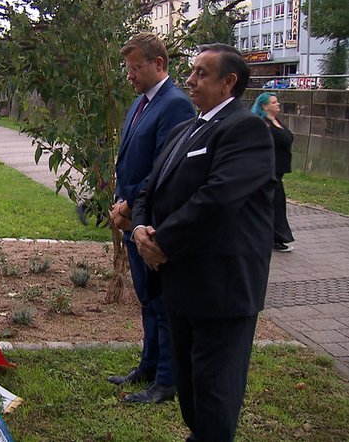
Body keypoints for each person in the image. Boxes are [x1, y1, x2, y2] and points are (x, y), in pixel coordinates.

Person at [131, 43, 275, 441]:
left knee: (214, 392)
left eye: (201, 74)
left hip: (220, 288)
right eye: (191, 72)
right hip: (180, 282)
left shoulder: (246, 130)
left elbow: (218, 197)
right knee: (191, 389)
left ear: (229, 82)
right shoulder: (187, 128)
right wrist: (141, 228)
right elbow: (149, 187)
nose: (190, 81)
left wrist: (163, 241)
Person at [107, 32, 195, 404]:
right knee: (146, 300)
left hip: (152, 221)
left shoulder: (175, 104)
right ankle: (147, 365)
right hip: (131, 218)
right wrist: (118, 201)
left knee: (161, 304)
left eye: (136, 67)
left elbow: (164, 164)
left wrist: (129, 205)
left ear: (159, 64)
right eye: (127, 68)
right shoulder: (140, 103)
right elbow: (130, 158)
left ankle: (166, 380)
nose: (130, 75)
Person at [252, 92, 295, 252]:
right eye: (274, 102)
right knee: (273, 204)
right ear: (264, 106)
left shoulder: (276, 122)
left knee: (277, 204)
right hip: (268, 172)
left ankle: (275, 237)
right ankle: (276, 238)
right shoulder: (262, 124)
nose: (278, 104)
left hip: (279, 171)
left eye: (277, 102)